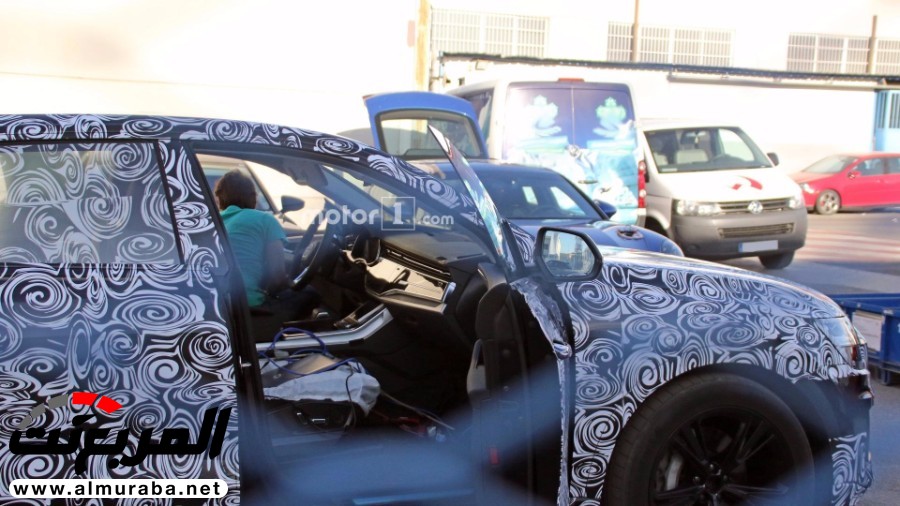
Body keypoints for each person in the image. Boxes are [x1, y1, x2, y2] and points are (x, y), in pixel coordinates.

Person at [214, 169, 318, 341]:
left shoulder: (214, 221)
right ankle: (291, 346)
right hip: (250, 306)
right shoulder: (264, 220)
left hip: (222, 307)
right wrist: (290, 283)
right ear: (252, 197)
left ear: (220, 197)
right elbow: (277, 277)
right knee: (310, 294)